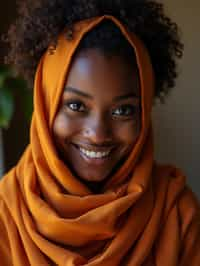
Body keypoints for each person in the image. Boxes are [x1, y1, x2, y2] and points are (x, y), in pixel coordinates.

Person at [0, 1, 199, 265]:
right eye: (76, 106)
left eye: (123, 110)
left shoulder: (175, 211)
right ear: (45, 104)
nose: (97, 134)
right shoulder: (6, 213)